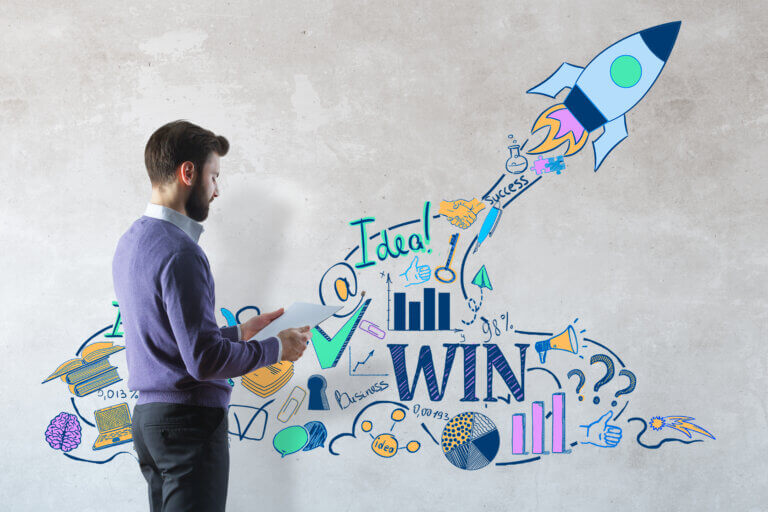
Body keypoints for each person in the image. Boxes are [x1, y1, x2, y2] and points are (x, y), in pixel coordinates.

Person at [112, 120, 311, 511]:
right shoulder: (182, 252)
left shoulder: (132, 242)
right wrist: (277, 348)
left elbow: (168, 338)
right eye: (214, 176)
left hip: (152, 424)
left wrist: (238, 333)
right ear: (188, 173)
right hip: (189, 424)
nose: (217, 191)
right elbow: (203, 361)